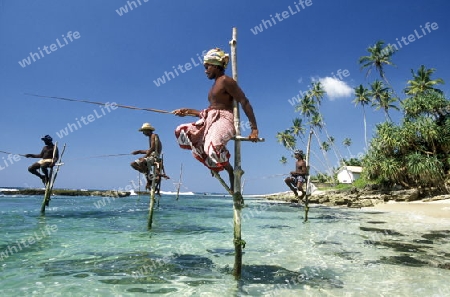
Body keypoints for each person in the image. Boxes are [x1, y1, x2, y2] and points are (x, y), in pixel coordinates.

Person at [173, 48, 259, 192]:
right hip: (210, 119)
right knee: (182, 131)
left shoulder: (226, 80)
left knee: (212, 147)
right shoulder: (214, 85)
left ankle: (230, 171)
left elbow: (244, 102)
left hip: (225, 119)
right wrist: (188, 111)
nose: (205, 70)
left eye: (207, 67)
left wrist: (254, 128)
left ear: (216, 65)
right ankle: (212, 163)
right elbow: (209, 112)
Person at [130, 123, 168, 192]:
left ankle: (149, 179)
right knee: (133, 164)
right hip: (151, 155)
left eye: (144, 131)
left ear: (148, 130)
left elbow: (153, 148)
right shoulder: (150, 137)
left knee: (141, 162)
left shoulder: (154, 135)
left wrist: (144, 157)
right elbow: (150, 150)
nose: (143, 133)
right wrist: (139, 151)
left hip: (155, 156)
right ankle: (149, 177)